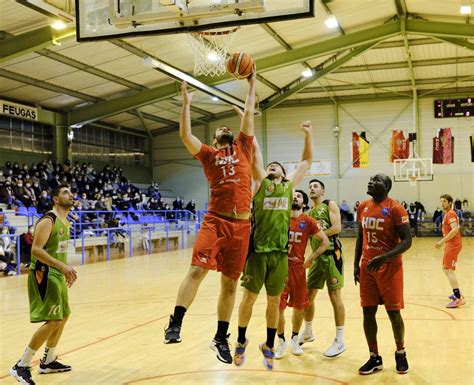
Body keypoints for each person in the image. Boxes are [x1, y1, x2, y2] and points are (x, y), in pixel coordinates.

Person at [164, 68, 257, 365]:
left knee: (230, 285)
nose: (225, 129)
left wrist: (252, 84)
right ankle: (175, 323)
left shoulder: (243, 146)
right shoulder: (207, 155)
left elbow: (249, 115)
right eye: (219, 130)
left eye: (228, 128)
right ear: (215, 140)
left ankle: (220, 338)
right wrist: (186, 103)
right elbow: (184, 135)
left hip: (242, 224)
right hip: (216, 220)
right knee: (196, 271)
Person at [234, 121, 313, 371]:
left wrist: (308, 134)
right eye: (269, 166)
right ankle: (239, 340)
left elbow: (307, 162)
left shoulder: (289, 187)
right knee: (248, 298)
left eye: (276, 166)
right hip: (258, 252)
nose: (271, 167)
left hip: (280, 255)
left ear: (283, 172)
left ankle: (269, 344)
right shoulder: (259, 183)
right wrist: (245, 120)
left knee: (273, 302)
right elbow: (255, 151)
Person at [10, 184, 77, 385]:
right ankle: (21, 365)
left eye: (71, 192)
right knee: (54, 320)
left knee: (64, 316)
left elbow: (57, 250)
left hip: (57, 273)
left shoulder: (67, 222)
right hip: (44, 272)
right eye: (65, 192)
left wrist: (65, 269)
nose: (71, 195)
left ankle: (47, 360)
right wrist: (62, 266)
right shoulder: (49, 220)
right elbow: (36, 250)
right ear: (56, 199)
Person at [354, 173, 412, 375]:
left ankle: (400, 352)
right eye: (370, 178)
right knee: (367, 312)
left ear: (386, 186)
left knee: (393, 313)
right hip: (368, 267)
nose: (370, 181)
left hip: (390, 268)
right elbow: (361, 236)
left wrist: (385, 257)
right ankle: (374, 357)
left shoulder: (396, 208)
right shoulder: (363, 206)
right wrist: (355, 264)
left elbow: (407, 241)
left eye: (376, 180)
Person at [275, 190, 329, 359]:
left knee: (299, 307)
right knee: (278, 308)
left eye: (298, 196)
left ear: (304, 203)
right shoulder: (279, 217)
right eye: (293, 195)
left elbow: (325, 242)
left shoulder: (308, 221)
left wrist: (311, 258)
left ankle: (294, 339)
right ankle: (281, 341)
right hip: (280, 268)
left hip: (298, 268)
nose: (295, 197)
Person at [299, 179, 346, 358]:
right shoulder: (309, 212)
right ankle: (308, 331)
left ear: (323, 191)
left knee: (334, 296)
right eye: (310, 186)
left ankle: (340, 340)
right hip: (317, 257)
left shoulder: (329, 204)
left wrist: (317, 234)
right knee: (308, 297)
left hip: (333, 256)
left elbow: (337, 227)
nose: (311, 188)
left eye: (315, 186)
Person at [435, 194, 465, 308]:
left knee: (448, 269)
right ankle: (458, 294)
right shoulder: (446, 214)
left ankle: (458, 298)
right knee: (445, 268)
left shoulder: (451, 213)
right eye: (441, 201)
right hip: (450, 245)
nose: (442, 203)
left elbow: (455, 230)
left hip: (453, 245)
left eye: (444, 201)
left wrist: (441, 241)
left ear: (450, 203)